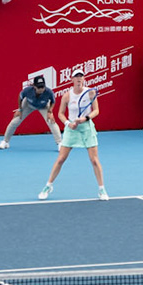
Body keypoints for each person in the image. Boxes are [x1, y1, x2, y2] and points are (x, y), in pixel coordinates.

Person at [39, 69, 108, 200]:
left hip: (87, 128)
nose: (79, 79)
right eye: (76, 76)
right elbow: (60, 114)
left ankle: (102, 189)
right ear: (72, 79)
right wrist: (68, 124)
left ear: (84, 79)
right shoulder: (67, 96)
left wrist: (85, 118)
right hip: (71, 129)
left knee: (94, 160)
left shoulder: (90, 93)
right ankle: (48, 186)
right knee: (60, 159)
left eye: (81, 76)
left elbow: (96, 110)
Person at [0, 73, 62, 149]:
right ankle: (5, 142)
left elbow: (53, 102)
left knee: (51, 121)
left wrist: (50, 112)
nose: (41, 89)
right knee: (15, 121)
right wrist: (20, 109)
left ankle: (60, 144)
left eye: (42, 87)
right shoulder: (27, 90)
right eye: (39, 87)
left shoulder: (49, 92)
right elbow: (20, 97)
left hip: (43, 106)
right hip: (28, 105)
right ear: (34, 86)